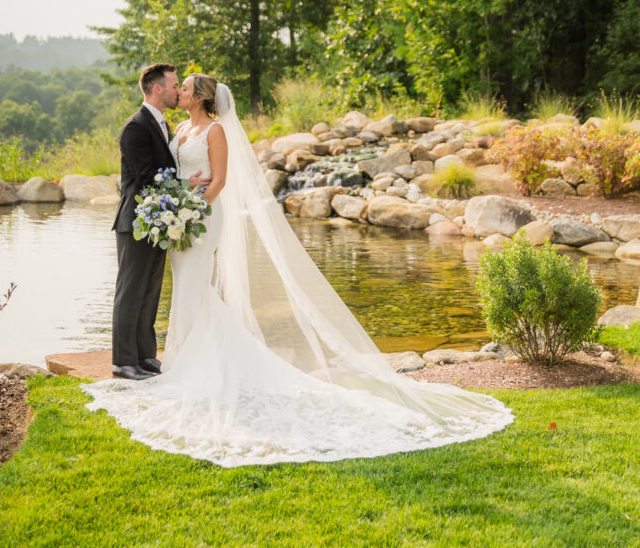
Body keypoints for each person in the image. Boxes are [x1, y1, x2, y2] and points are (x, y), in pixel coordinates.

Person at [88, 74, 513, 466]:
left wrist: (192, 205)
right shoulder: (178, 129)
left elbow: (218, 180)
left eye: (184, 88)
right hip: (181, 216)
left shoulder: (216, 130)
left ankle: (192, 364)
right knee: (184, 289)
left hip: (202, 216)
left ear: (199, 97)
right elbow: (169, 173)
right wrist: (179, 199)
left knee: (195, 287)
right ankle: (173, 359)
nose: (178, 91)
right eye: (174, 86)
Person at [111, 63, 208, 381]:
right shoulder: (136, 127)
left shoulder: (161, 124)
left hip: (157, 219)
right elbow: (145, 177)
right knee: (130, 290)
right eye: (174, 85)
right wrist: (184, 185)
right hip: (136, 220)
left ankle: (145, 356)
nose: (178, 90)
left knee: (150, 290)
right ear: (157, 89)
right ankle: (123, 361)